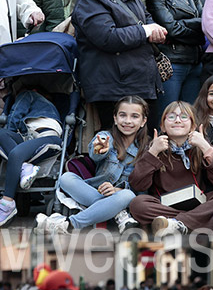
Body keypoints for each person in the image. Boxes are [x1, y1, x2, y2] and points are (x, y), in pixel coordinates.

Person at [70, 0, 166, 128]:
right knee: (118, 148)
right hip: (114, 87)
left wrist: (155, 29)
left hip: (141, 81)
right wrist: (146, 31)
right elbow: (108, 37)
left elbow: (144, 16)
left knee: (147, 144)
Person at [44, 96, 149, 234]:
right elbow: (96, 151)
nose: (128, 121)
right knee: (66, 178)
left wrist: (117, 191)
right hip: (94, 191)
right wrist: (100, 150)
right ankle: (119, 214)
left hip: (123, 197)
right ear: (115, 118)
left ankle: (70, 224)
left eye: (134, 116)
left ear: (143, 121)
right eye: (122, 115)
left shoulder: (147, 147)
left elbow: (142, 187)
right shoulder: (106, 136)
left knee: (127, 195)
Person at [128, 101, 213, 236]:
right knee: (137, 204)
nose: (177, 120)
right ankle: (197, 222)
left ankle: (176, 223)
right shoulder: (154, 147)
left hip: (199, 204)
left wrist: (206, 147)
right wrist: (152, 153)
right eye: (171, 117)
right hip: (164, 205)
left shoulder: (200, 146)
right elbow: (138, 184)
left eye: (184, 117)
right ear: (163, 126)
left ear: (193, 126)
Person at [146, 0, 205, 106]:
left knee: (189, 116)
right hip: (172, 65)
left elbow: (205, 22)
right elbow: (170, 29)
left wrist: (182, 24)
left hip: (195, 63)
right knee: (166, 115)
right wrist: (195, 30)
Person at [0, 88, 64, 227]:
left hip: (47, 137)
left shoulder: (29, 93)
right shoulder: (41, 109)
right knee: (12, 148)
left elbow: (15, 114)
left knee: (15, 153)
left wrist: (9, 134)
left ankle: (7, 204)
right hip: (28, 139)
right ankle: (24, 167)